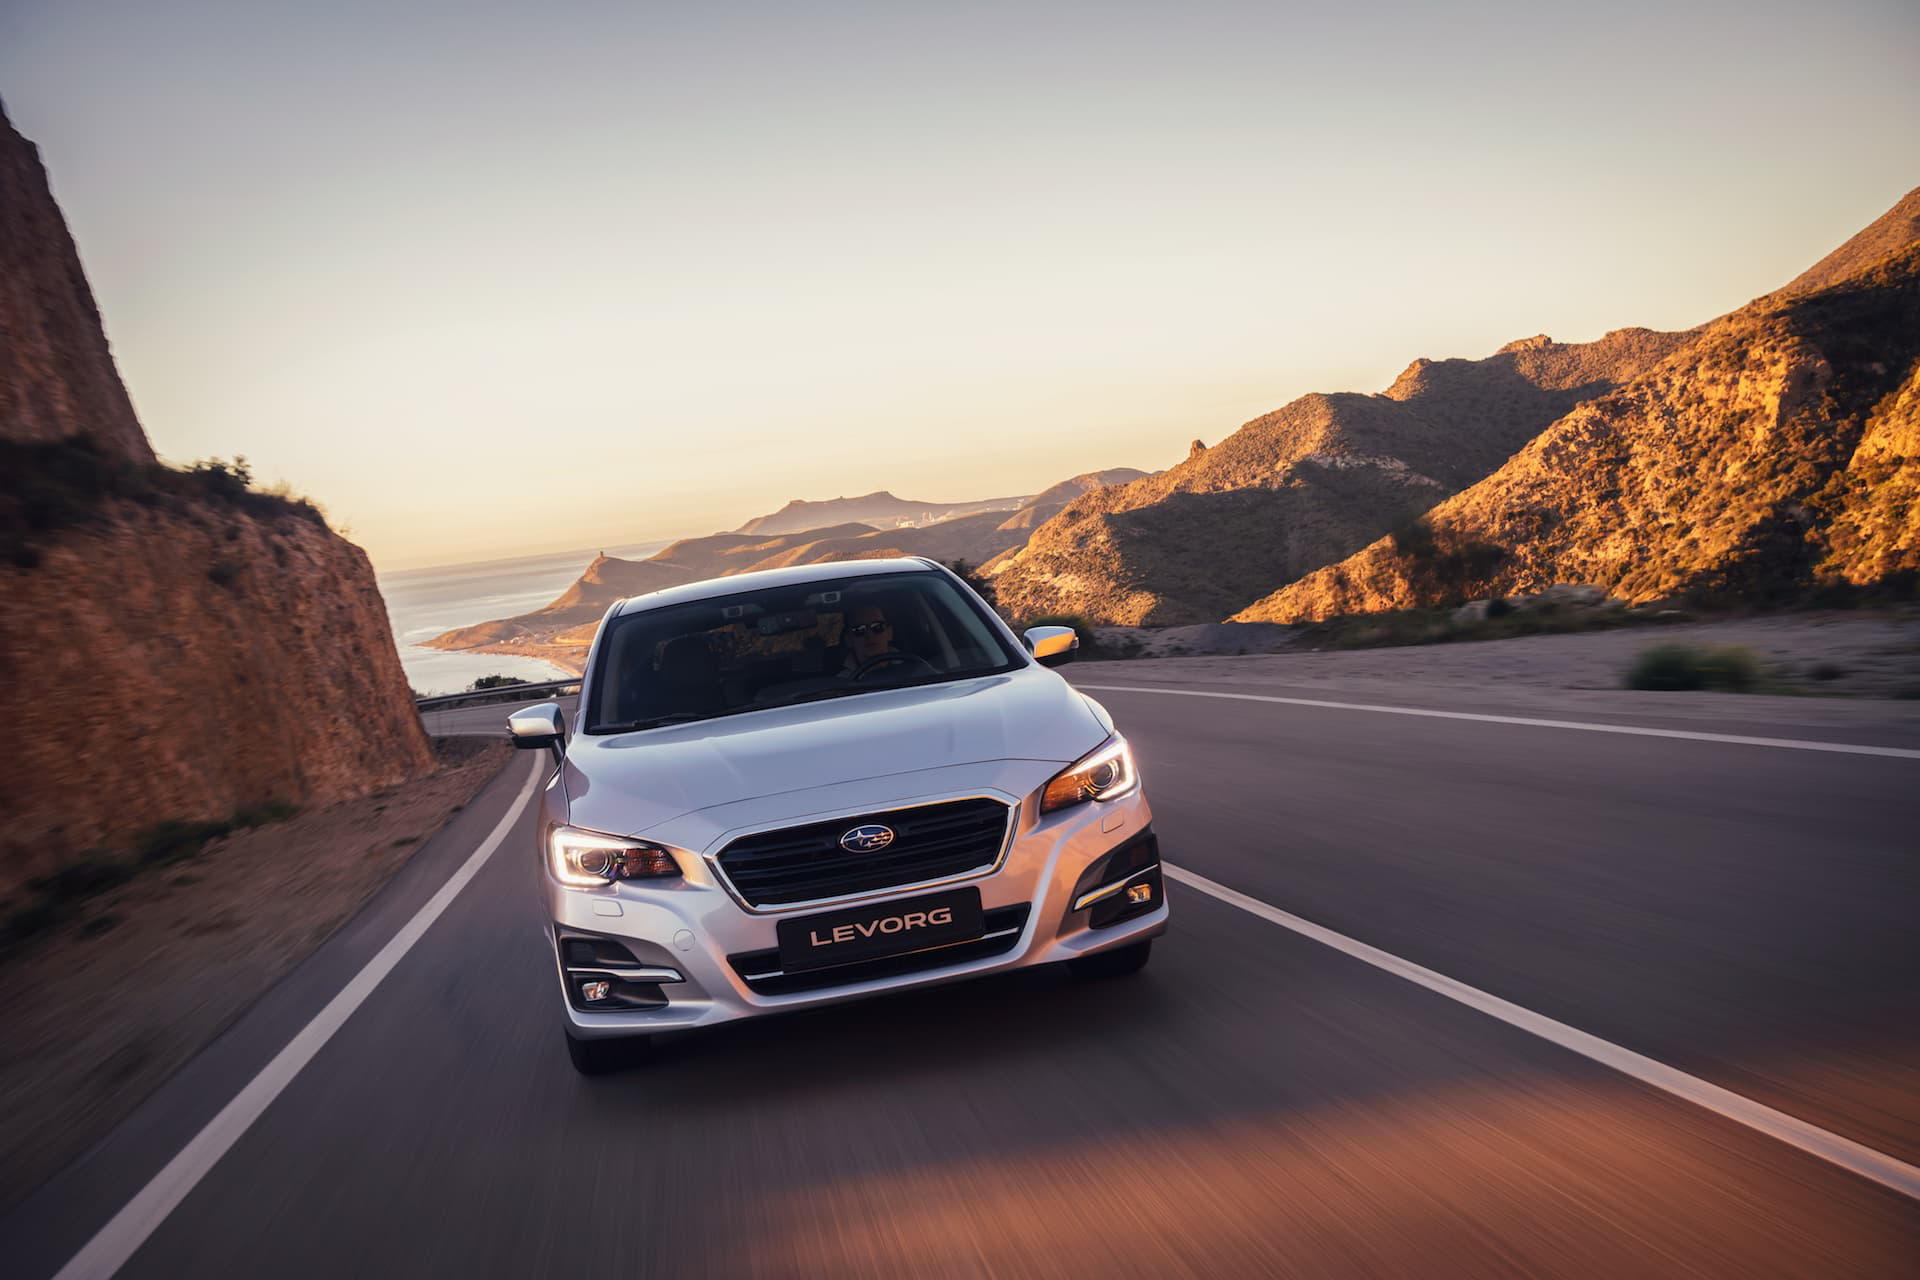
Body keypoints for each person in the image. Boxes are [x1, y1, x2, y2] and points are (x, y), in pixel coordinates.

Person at [838, 602, 903, 677]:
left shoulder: (912, 670)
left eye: (877, 627)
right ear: (849, 640)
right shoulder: (841, 684)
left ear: (889, 633)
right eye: (859, 630)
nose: (869, 634)